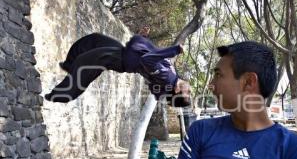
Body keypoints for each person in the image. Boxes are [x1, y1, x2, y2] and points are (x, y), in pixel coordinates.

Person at [168, 41, 297, 159]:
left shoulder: (293, 148)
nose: (211, 84)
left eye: (218, 75)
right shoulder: (201, 131)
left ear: (249, 82)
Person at [45, 26, 191, 107]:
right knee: (94, 40)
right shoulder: (173, 77)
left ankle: (58, 95)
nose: (189, 90)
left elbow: (147, 60)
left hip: (121, 60)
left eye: (187, 93)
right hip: (124, 53)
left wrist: (174, 50)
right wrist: (142, 38)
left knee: (85, 63)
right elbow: (150, 55)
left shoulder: (167, 78)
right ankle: (69, 65)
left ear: (177, 90)